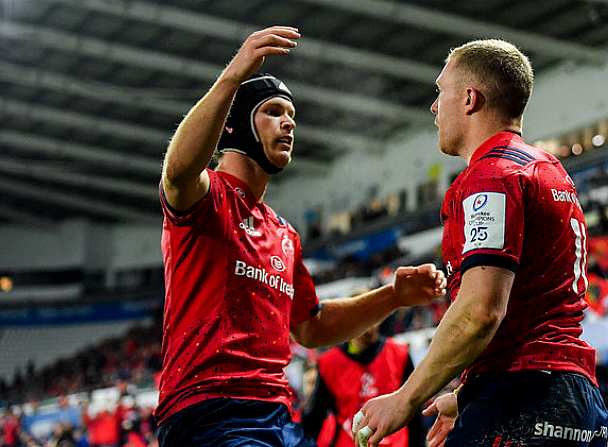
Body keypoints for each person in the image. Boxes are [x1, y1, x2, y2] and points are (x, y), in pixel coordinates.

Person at [156, 26, 446, 447]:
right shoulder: (207, 198)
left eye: (291, 116)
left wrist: (394, 297)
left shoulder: (283, 233)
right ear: (235, 126)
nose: (288, 123)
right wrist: (232, 77)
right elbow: (178, 172)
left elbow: (311, 327)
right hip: (208, 412)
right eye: (273, 111)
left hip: (276, 416)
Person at [354, 39, 608, 446]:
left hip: (523, 399)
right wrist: (465, 395)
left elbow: (481, 311)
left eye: (440, 92)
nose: (434, 107)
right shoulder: (548, 169)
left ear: (470, 98)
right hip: (576, 401)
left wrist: (405, 398)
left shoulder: (492, 176)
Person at [302, 324, 425, 447]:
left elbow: (413, 411)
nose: (367, 326)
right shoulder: (328, 364)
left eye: (373, 317)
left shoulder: (399, 354)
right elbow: (314, 419)